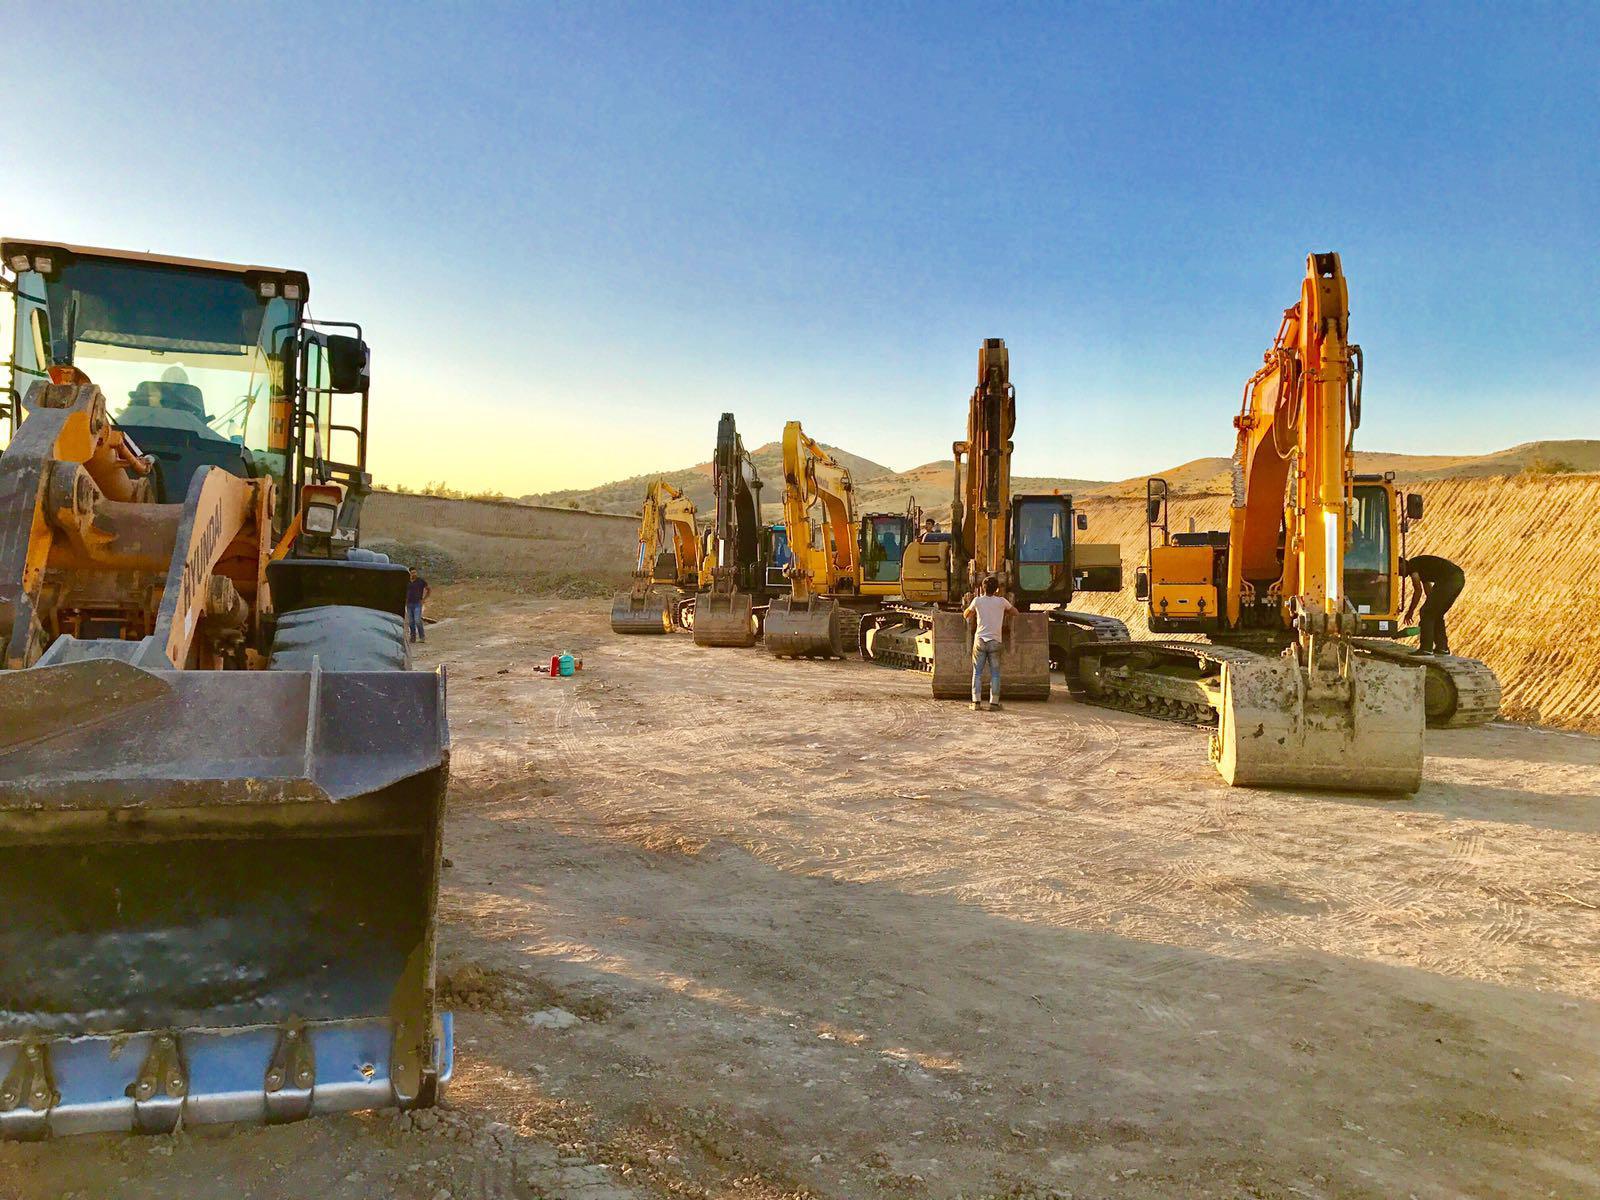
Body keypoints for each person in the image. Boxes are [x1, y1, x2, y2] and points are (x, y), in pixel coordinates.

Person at [963, 575, 1016, 711]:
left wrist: (970, 607)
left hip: (980, 640)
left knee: (977, 673)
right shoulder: (1002, 602)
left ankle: (976, 702)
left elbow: (966, 614)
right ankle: (994, 703)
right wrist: (1005, 611)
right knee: (995, 673)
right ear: (997, 589)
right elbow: (1015, 612)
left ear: (982, 588)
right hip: (995, 641)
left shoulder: (977, 600)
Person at [1400, 554, 1465, 655]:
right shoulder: (1422, 568)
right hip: (1458, 579)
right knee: (1436, 613)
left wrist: (1410, 612)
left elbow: (1418, 590)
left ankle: (1426, 649)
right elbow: (1429, 593)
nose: (1399, 574)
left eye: (1398, 570)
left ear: (1402, 564)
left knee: (1427, 612)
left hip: (1449, 579)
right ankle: (1442, 648)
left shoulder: (1412, 565)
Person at [406, 567, 431, 644]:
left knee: (417, 620)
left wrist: (424, 599)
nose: (414, 574)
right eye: (412, 573)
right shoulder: (406, 581)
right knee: (411, 622)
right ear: (409, 573)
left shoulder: (421, 581)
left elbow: (428, 589)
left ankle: (422, 637)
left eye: (415, 572)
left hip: (417, 603)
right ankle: (412, 638)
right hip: (409, 604)